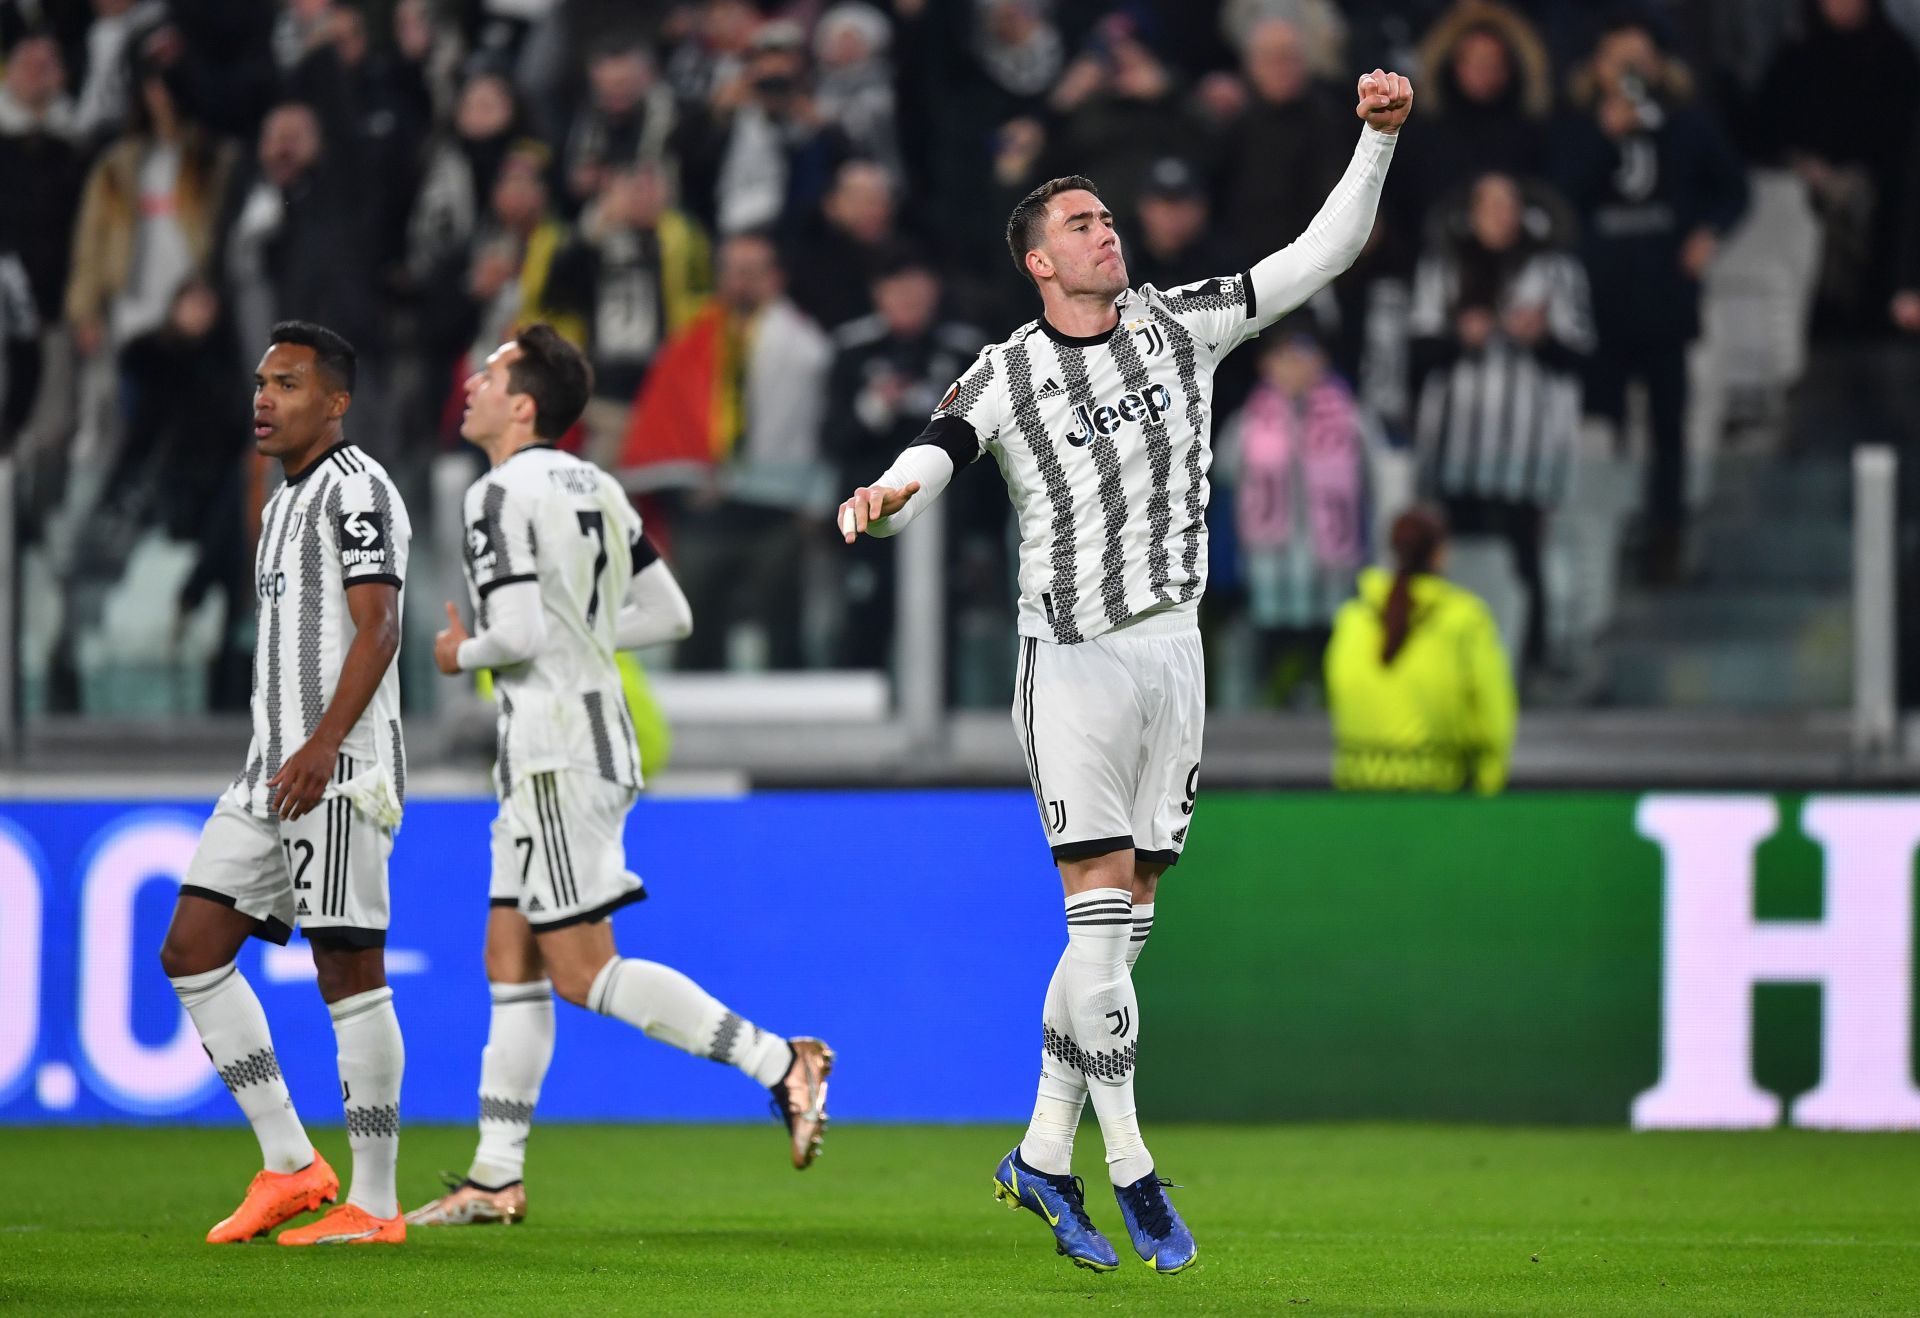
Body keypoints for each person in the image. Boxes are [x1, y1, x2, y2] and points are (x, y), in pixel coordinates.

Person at [838, 68, 1413, 1275]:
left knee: (1117, 939)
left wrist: (1375, 140)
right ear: (1039, 262)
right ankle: (1136, 1166)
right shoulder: (1004, 370)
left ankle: (1043, 1156)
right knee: (1097, 918)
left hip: (1175, 651)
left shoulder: (1178, 322)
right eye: (1084, 225)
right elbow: (937, 450)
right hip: (1075, 662)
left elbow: (1323, 252)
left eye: (1108, 218)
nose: (1109, 233)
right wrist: (889, 496)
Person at [406, 324, 834, 1228]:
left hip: (558, 750)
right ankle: (494, 1178)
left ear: (522, 406)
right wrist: (578, 632)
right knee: (509, 959)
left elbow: (516, 639)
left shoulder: (494, 495)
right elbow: (667, 612)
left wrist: (456, 654)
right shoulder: (597, 484)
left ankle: (780, 1061)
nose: (473, 386)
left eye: (489, 375)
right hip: (579, 744)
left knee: (583, 972)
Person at [157, 320, 413, 1246]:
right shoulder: (280, 494)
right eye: (263, 381)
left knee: (347, 968)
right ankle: (292, 1164)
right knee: (192, 948)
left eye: (290, 384)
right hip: (270, 772)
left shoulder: (358, 490)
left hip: (335, 773)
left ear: (335, 402)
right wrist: (283, 754)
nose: (265, 398)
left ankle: (377, 1206)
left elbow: (379, 630)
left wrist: (321, 746)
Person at [1409, 171, 1592, 672]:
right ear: (1471, 213)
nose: (1499, 216)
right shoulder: (1442, 267)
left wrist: (1542, 338)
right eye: (1488, 205)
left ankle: (1530, 657)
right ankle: (1445, 657)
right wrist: (1459, 337)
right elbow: (1419, 351)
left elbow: (1582, 358)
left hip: (1527, 448)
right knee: (1453, 553)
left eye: (1508, 205)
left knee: (1523, 553)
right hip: (1456, 446)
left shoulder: (1556, 270)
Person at [1323, 504, 1516, 792]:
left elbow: (1339, 700)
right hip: (1442, 795)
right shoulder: (1465, 620)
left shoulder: (1351, 619)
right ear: (1439, 554)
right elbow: (1494, 717)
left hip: (1358, 794)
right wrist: (1488, 786)